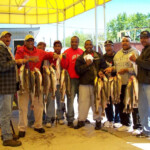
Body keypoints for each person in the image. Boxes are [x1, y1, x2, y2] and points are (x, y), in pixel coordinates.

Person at [15, 34, 58, 138]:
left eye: (32, 41)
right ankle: (22, 128)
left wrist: (56, 55)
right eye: (28, 41)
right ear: (25, 42)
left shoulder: (40, 51)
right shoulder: (20, 50)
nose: (30, 42)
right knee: (23, 106)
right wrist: (29, 59)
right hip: (24, 80)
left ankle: (38, 125)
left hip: (36, 81)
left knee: (39, 104)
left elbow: (50, 54)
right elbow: (16, 61)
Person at [105, 36, 140, 132]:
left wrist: (127, 70)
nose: (124, 43)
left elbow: (138, 68)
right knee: (121, 104)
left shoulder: (135, 52)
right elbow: (116, 67)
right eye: (123, 41)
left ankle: (137, 126)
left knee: (133, 104)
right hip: (120, 83)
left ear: (130, 42)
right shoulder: (118, 54)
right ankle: (125, 124)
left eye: (127, 41)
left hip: (131, 82)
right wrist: (111, 69)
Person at [0, 31, 28, 147]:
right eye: (6, 37)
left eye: (9, 37)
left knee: (5, 112)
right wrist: (16, 61)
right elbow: (1, 66)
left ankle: (6, 133)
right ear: (1, 38)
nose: (8, 38)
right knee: (5, 113)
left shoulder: (5, 49)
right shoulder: (1, 49)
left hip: (8, 86)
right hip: (5, 87)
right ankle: (7, 138)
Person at [74, 40, 107, 130]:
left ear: (92, 45)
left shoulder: (98, 56)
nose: (89, 46)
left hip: (96, 83)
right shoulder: (80, 58)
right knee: (83, 103)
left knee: (97, 102)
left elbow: (104, 67)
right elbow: (78, 70)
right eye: (87, 44)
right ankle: (81, 120)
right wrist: (87, 65)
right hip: (84, 83)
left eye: (90, 44)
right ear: (84, 46)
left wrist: (101, 71)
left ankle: (98, 121)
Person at [129, 30, 150, 137]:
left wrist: (136, 60)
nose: (143, 40)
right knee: (142, 108)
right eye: (141, 38)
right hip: (141, 83)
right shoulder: (144, 50)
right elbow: (141, 68)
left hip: (148, 84)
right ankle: (146, 131)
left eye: (146, 37)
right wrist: (134, 77)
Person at [61, 36, 83, 128]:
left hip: (81, 79)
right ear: (70, 42)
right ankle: (70, 119)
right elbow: (64, 66)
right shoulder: (66, 52)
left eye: (76, 42)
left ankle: (82, 118)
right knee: (70, 100)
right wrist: (64, 58)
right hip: (71, 79)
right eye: (72, 42)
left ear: (78, 42)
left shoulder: (82, 52)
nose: (74, 43)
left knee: (81, 100)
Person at [45, 40, 65, 127]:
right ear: (53, 47)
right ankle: (49, 119)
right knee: (50, 101)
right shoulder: (50, 57)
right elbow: (45, 68)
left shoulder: (63, 57)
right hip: (51, 82)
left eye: (59, 46)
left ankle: (60, 117)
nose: (57, 48)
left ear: (61, 47)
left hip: (60, 82)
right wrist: (49, 67)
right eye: (56, 46)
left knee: (60, 101)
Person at [103, 40, 121, 128]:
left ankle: (117, 120)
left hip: (116, 81)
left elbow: (120, 67)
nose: (108, 48)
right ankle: (110, 119)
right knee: (107, 101)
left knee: (117, 100)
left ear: (113, 46)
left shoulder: (118, 56)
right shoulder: (103, 57)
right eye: (106, 46)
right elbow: (100, 68)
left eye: (110, 46)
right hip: (106, 82)